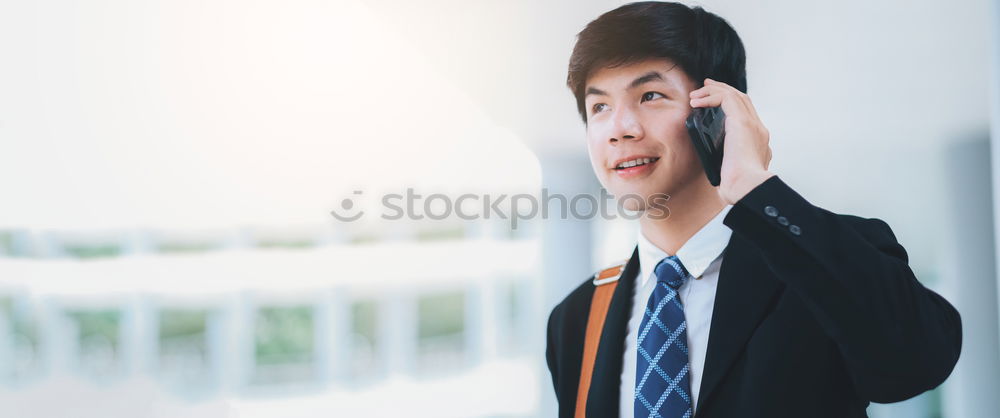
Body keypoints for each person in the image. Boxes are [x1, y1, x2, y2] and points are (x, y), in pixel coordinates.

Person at [544, 2, 962, 418]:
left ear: (716, 113)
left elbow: (915, 363)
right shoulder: (578, 317)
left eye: (650, 95)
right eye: (599, 106)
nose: (620, 129)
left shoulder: (819, 263)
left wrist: (755, 188)